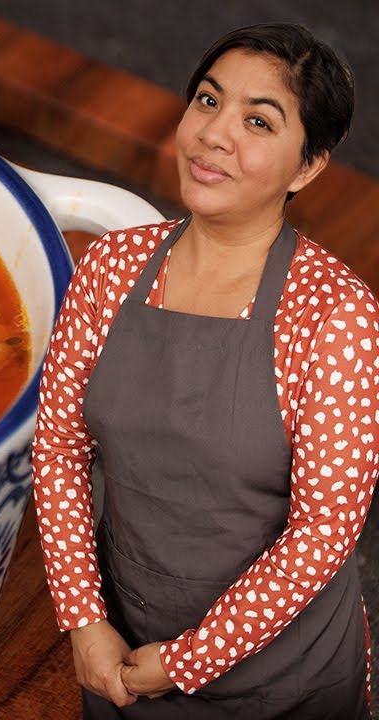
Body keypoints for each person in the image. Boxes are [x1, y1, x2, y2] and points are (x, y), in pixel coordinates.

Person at [31, 22, 378, 718]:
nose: (215, 135)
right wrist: (84, 619)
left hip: (280, 681)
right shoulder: (112, 266)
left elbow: (321, 536)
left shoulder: (337, 319)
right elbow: (60, 448)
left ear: (307, 166)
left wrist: (188, 659)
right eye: (208, 101)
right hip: (124, 649)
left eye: (258, 120)